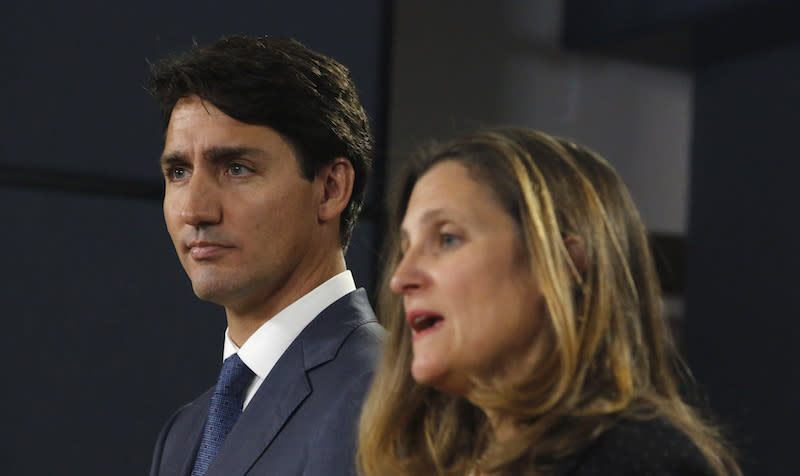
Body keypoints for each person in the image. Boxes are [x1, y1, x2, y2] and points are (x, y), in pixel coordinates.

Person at [357, 127, 742, 476]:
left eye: (447, 238)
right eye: (406, 247)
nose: (400, 279)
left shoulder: (639, 460)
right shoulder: (434, 464)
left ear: (560, 265)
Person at [146, 35, 383, 476]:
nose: (195, 210)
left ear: (331, 189)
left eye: (237, 168)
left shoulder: (391, 400)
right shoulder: (183, 432)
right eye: (178, 172)